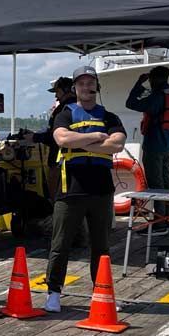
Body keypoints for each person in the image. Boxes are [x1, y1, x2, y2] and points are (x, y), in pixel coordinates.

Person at [43, 65, 127, 313]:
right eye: (81, 83)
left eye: (91, 83)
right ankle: (53, 293)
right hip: (71, 189)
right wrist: (98, 137)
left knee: (101, 246)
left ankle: (101, 291)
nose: (87, 87)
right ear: (75, 88)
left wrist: (84, 140)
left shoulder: (110, 116)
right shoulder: (65, 114)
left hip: (101, 189)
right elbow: (62, 139)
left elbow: (118, 144)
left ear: (97, 86)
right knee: (61, 243)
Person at [125, 65, 169, 231]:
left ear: (154, 79)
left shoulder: (157, 97)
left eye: (151, 79)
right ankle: (167, 219)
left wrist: (138, 83)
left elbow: (131, 103)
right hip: (167, 145)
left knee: (156, 184)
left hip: (153, 145)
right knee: (166, 182)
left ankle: (159, 223)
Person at [30, 76, 75, 202]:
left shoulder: (63, 110)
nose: (56, 97)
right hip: (69, 162)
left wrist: (34, 137)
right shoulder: (78, 108)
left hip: (59, 162)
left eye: (58, 92)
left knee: (57, 198)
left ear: (67, 90)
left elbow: (55, 137)